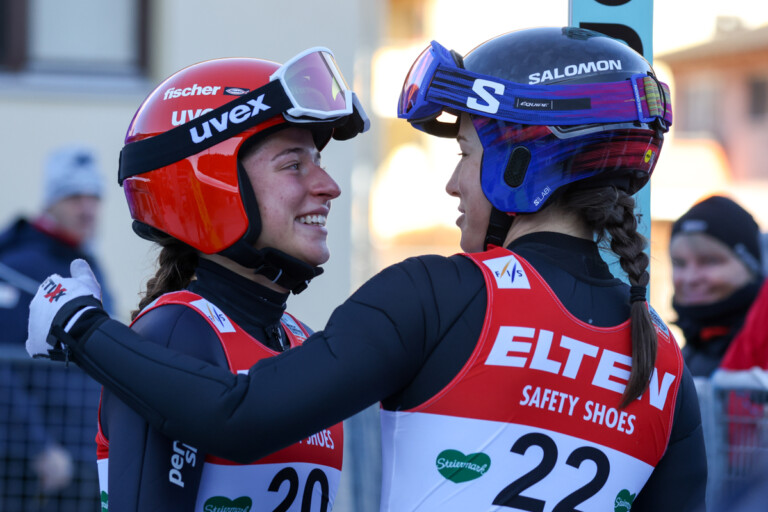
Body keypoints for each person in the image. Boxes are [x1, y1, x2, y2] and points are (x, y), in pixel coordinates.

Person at [27, 27, 706, 510]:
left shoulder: (439, 293)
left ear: (520, 161)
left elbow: (234, 415)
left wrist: (80, 327)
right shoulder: (665, 362)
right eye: (295, 164)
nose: (453, 185)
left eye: (465, 152)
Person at [47, 52, 366, 511]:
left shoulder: (296, 336)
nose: (329, 185)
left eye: (317, 160)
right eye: (294, 165)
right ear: (215, 186)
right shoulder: (176, 334)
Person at [0, 145, 112, 506]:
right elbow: (4, 366)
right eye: (74, 196)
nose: (87, 208)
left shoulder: (88, 265)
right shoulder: (17, 268)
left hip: (85, 454)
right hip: (36, 467)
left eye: (94, 197)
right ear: (51, 202)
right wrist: (39, 447)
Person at [669, 195, 764, 377]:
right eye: (679, 263)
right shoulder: (683, 353)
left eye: (710, 261)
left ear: (750, 267)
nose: (690, 278)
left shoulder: (760, 351)